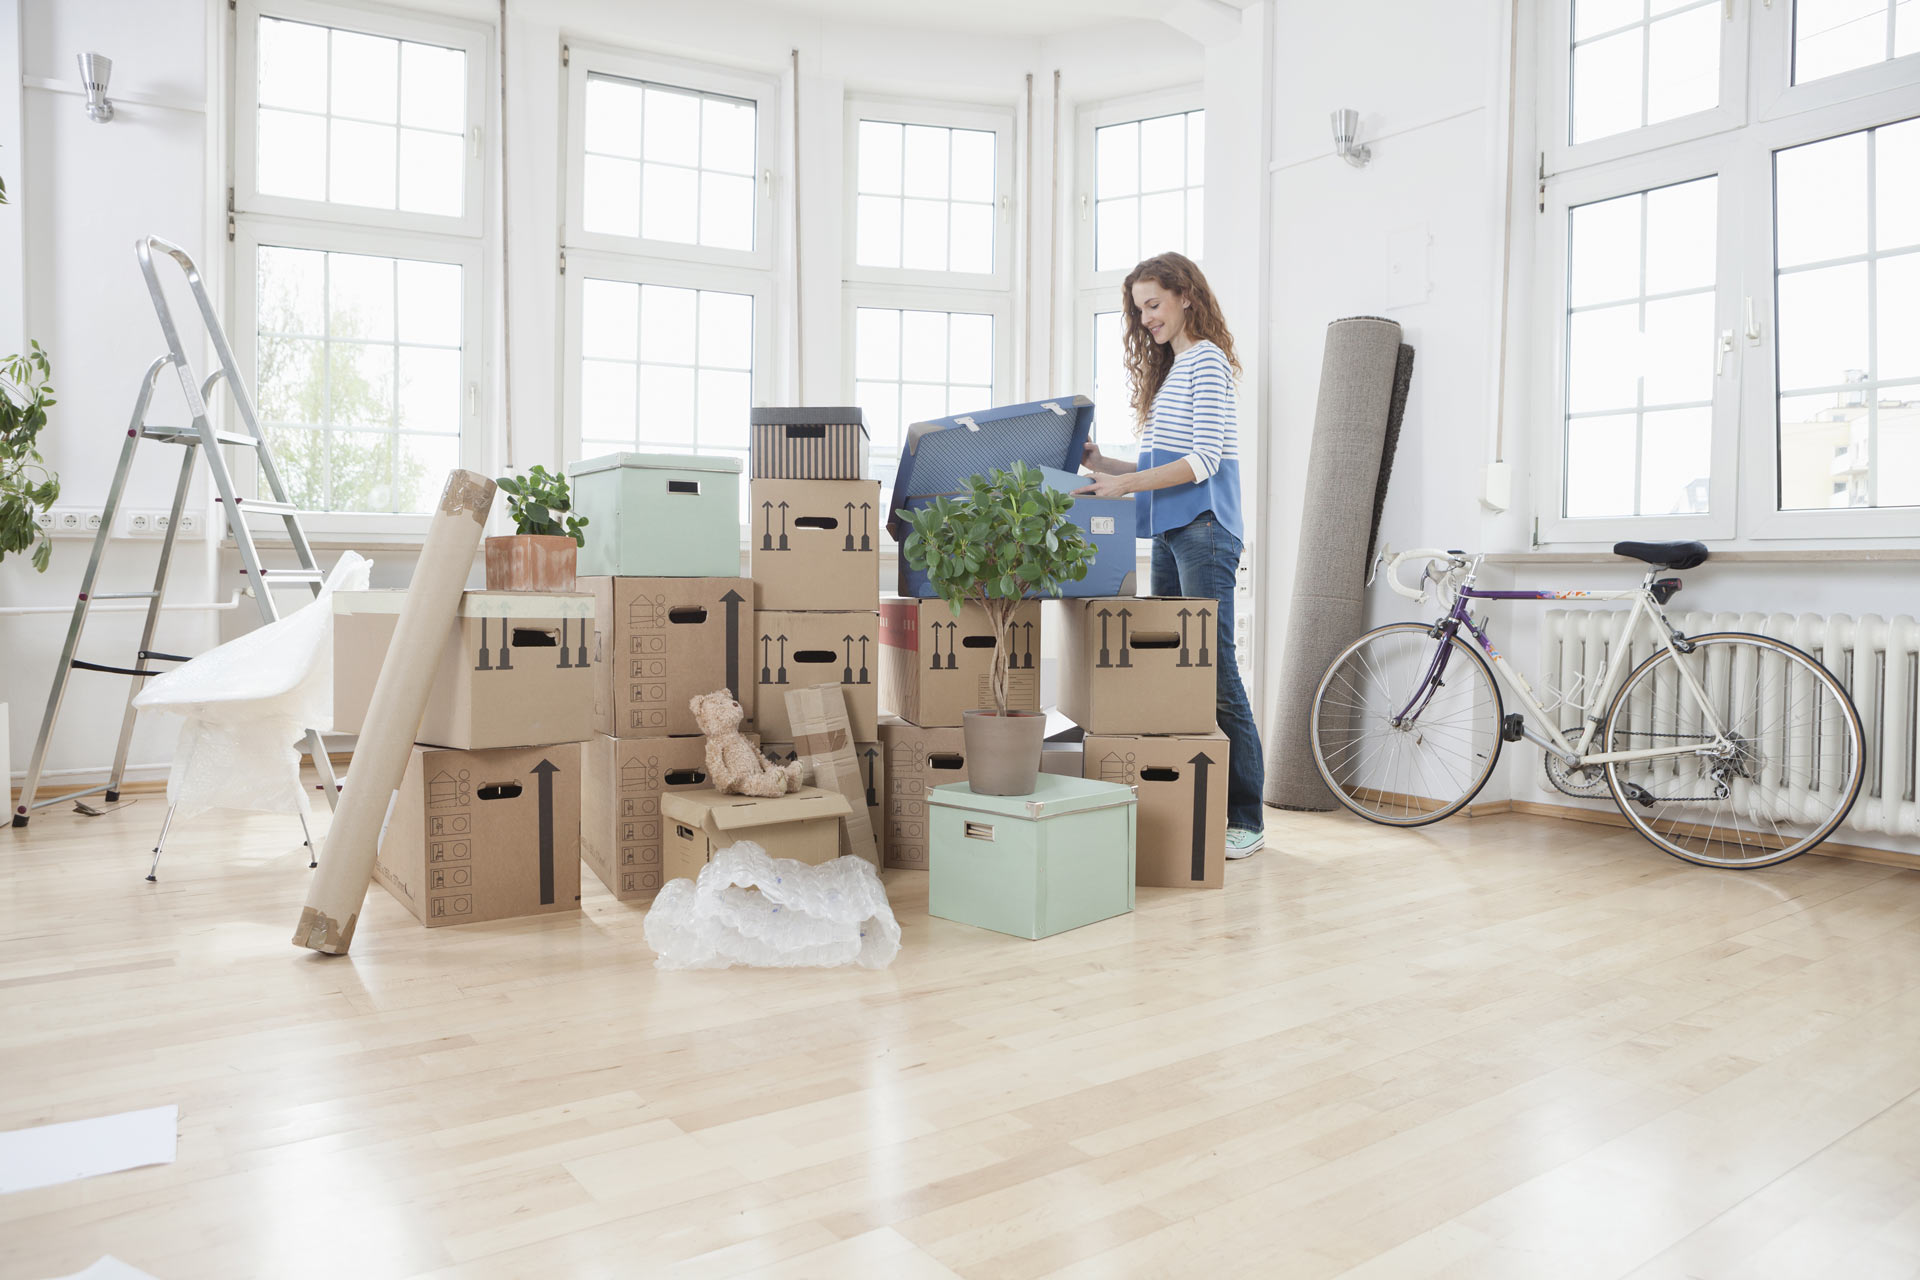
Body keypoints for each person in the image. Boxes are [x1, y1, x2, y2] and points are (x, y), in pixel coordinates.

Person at [1075, 251, 1266, 858]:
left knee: (1213, 670)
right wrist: (1105, 466)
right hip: (1170, 530)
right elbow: (1163, 468)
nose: (1147, 318)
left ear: (1186, 295)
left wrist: (1124, 487)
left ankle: (1247, 818)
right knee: (1179, 673)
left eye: (1154, 304)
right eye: (1140, 310)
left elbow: (1204, 462)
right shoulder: (1173, 373)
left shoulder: (1206, 361)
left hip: (1205, 529)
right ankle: (1198, 804)